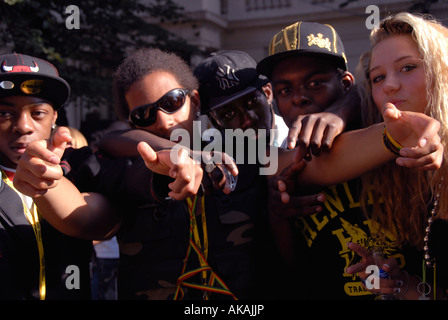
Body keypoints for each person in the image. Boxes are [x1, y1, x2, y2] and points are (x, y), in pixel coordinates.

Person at [14, 47, 442, 301]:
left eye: (172, 102)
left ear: (196, 102)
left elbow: (310, 162)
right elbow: (87, 216)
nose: (162, 120)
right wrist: (44, 184)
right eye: (143, 114)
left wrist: (392, 135)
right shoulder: (122, 163)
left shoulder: (246, 150)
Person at [256, 20, 444, 299]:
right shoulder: (282, 161)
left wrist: (343, 110)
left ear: (345, 84)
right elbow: (292, 274)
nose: (300, 98)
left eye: (316, 83)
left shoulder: (376, 125)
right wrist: (277, 215)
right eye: (285, 90)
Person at [345, 12, 448, 300]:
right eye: (378, 77)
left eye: (407, 68)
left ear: (443, 70)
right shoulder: (392, 161)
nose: (389, 85)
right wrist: (401, 283)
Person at [0, 53, 93, 299]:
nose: (23, 126)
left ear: (55, 117)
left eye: (37, 112)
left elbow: (104, 221)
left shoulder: (81, 167)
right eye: (4, 114)